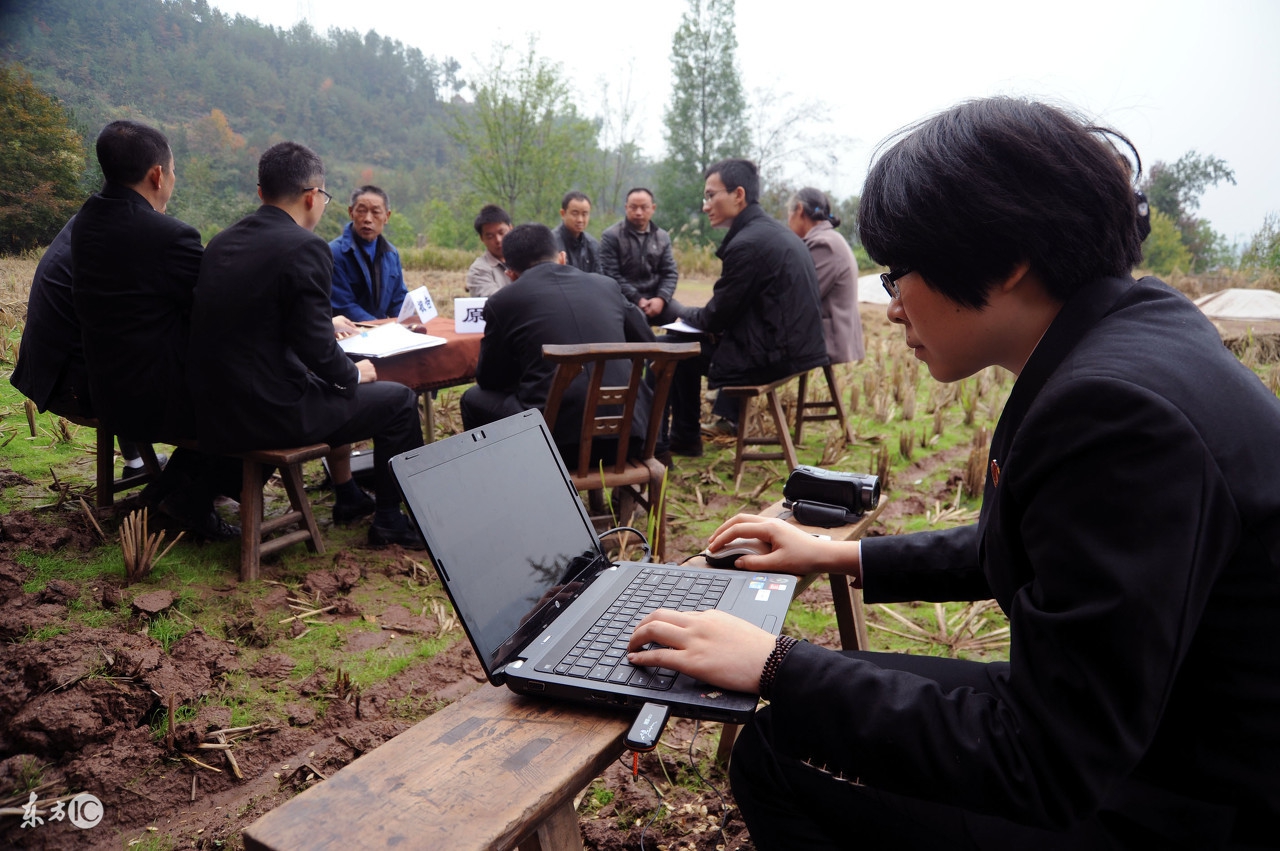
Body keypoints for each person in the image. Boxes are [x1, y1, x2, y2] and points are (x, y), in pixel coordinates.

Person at [627, 98, 1280, 848]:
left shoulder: (1113, 413)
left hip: (1183, 793)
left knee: (778, 756)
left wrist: (775, 663)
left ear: (1008, 259)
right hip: (1149, 725)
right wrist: (840, 555)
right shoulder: (1144, 327)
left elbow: (1042, 762)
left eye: (898, 274)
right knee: (786, 734)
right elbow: (1043, 544)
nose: (893, 307)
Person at [188, 142, 425, 548]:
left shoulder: (222, 241)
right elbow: (317, 348)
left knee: (341, 391)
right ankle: (389, 520)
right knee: (399, 402)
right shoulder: (306, 246)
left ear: (261, 192)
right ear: (313, 196)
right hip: (270, 411)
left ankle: (350, 494)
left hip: (213, 406)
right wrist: (353, 374)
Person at [70, 120, 239, 539]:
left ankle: (163, 492)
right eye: (173, 170)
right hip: (153, 398)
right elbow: (218, 304)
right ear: (157, 175)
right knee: (258, 398)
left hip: (104, 389)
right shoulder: (168, 235)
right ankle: (191, 503)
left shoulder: (88, 219)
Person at [667, 158, 828, 455]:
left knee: (671, 348)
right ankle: (681, 437)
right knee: (678, 342)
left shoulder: (748, 244)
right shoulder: (772, 232)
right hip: (795, 350)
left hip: (775, 357)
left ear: (738, 194)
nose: (705, 206)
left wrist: (677, 312)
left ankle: (677, 440)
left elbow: (715, 317)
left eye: (710, 195)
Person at [460, 223, 656, 462]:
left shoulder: (502, 302)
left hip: (553, 444)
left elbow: (490, 379)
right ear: (562, 258)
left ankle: (503, 474)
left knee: (472, 399)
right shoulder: (607, 286)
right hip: (630, 435)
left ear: (510, 274)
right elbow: (647, 340)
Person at [11, 216, 156, 476]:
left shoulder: (85, 227)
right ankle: (189, 483)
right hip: (71, 389)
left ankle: (136, 462)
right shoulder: (110, 238)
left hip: (47, 378)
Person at [786, 187, 864, 364]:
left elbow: (800, 295)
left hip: (828, 340)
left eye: (789, 213)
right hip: (828, 335)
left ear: (799, 209)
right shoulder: (829, 239)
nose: (788, 221)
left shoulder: (823, 244)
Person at [599, 187, 682, 325]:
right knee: (637, 318)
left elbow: (670, 272)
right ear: (626, 207)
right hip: (625, 299)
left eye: (644, 207)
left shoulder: (662, 237)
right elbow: (611, 274)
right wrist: (637, 299)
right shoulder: (611, 236)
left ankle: (669, 339)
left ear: (653, 208)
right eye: (633, 207)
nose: (638, 212)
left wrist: (661, 298)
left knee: (679, 313)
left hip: (655, 296)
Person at [329, 185, 407, 321]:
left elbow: (398, 299)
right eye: (361, 211)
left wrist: (408, 323)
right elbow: (344, 306)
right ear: (351, 212)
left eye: (376, 212)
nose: (368, 219)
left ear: (387, 216)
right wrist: (379, 327)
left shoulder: (391, 254)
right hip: (349, 331)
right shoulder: (334, 253)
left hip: (379, 329)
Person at [466, 204, 512, 298]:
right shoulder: (478, 270)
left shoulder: (528, 260)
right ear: (482, 238)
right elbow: (496, 300)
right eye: (490, 236)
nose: (498, 240)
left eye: (501, 232)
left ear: (511, 229)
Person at [553, 190, 600, 274]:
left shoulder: (593, 245)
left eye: (584, 214)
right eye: (575, 214)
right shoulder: (552, 243)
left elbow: (599, 276)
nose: (580, 220)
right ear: (563, 213)